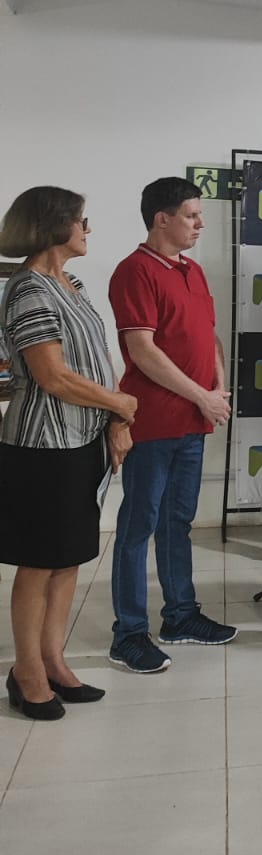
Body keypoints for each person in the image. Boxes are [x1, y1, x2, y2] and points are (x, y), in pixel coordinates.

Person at [0, 187, 137, 719]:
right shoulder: (28, 289)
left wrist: (116, 419)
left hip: (82, 439)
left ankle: (53, 660)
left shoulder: (71, 284)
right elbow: (52, 375)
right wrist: (120, 403)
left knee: (69, 556)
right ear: (53, 224)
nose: (88, 228)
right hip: (43, 446)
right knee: (40, 561)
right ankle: (26, 671)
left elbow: (96, 359)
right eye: (81, 219)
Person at [107, 178, 237, 674]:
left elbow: (208, 336)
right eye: (191, 215)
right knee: (138, 526)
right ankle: (128, 634)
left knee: (177, 523)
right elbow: (142, 350)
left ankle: (180, 616)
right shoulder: (135, 270)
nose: (200, 223)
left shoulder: (193, 270)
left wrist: (217, 386)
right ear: (162, 219)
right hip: (155, 421)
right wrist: (201, 395)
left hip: (193, 421)